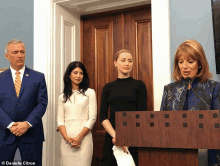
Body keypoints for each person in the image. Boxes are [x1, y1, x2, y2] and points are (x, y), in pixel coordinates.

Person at [160, 39, 220, 166]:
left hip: (206, 154)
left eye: (190, 62)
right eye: (180, 62)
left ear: (200, 63)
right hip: (175, 151)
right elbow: (162, 123)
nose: (184, 66)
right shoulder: (169, 89)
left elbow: (217, 124)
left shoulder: (214, 88)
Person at [0, 39, 48, 166]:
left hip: (31, 134)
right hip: (4, 134)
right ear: (7, 56)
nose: (20, 55)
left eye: (22, 52)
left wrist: (27, 124)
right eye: (15, 52)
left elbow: (42, 103)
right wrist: (10, 125)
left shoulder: (38, 77)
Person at [100, 49, 147, 166]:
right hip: (113, 137)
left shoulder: (139, 85)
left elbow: (142, 115)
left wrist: (127, 139)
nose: (127, 64)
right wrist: (117, 137)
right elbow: (103, 117)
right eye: (123, 60)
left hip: (133, 137)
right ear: (115, 63)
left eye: (130, 61)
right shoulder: (108, 87)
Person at [57, 61, 97, 166]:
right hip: (67, 140)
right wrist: (67, 138)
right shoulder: (62, 97)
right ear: (69, 75)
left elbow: (92, 118)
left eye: (81, 73)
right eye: (75, 73)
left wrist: (79, 138)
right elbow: (60, 120)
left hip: (84, 140)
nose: (78, 76)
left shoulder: (90, 93)